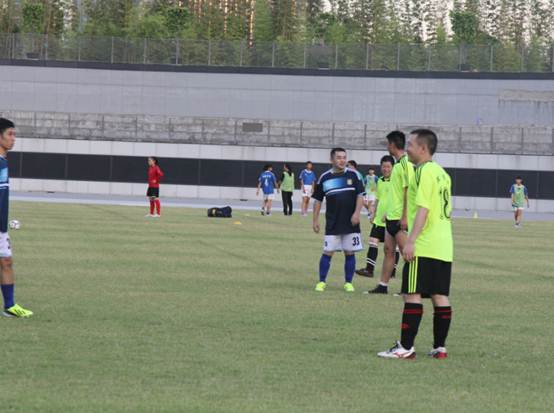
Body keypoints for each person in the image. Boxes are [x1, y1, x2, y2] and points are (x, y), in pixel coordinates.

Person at [378, 129, 453, 360]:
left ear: (422, 148)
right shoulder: (442, 173)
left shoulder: (423, 171)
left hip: (424, 244)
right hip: (444, 246)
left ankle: (405, 347)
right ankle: (440, 348)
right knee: (439, 295)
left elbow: (423, 209)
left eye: (410, 144)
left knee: (412, 293)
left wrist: (410, 241)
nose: (407, 148)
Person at [312, 148, 365, 293]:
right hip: (332, 222)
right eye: (339, 157)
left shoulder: (354, 175)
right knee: (328, 252)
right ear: (332, 160)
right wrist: (315, 220)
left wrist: (357, 213)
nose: (342, 160)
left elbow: (360, 195)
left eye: (344, 157)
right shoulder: (324, 178)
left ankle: (348, 283)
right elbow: (317, 200)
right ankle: (321, 282)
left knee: (350, 252)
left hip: (350, 222)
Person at [368, 131, 414, 294]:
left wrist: (405, 216)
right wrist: (387, 213)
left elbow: (408, 191)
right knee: (388, 251)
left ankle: (409, 289)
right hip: (391, 217)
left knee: (408, 254)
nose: (387, 147)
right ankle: (383, 286)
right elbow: (396, 193)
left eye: (388, 144)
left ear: (393, 145)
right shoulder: (397, 165)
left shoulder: (406, 164)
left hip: (400, 219)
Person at [0, 118, 33, 318]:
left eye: (14, 134)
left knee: (6, 262)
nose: (14, 138)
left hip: (1, 227)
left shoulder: (3, 161)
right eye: (10, 134)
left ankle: (10, 306)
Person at [356, 156, 400, 278]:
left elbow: (401, 200)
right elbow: (378, 199)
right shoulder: (379, 180)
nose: (386, 169)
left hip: (392, 218)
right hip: (378, 219)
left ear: (393, 167)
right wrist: (373, 213)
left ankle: (392, 272)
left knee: (392, 247)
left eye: (388, 167)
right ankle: (369, 270)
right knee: (372, 241)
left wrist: (391, 213)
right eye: (384, 166)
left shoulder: (397, 181)